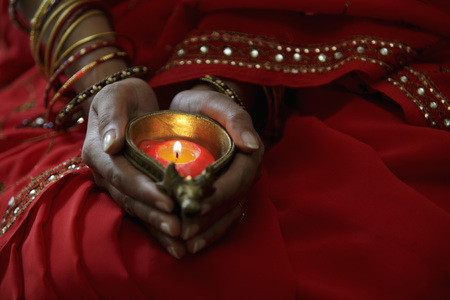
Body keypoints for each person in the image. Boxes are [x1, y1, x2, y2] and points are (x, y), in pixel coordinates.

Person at [0, 0, 449, 299]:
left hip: (313, 36)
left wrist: (230, 84)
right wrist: (105, 80)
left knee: (398, 251)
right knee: (78, 255)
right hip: (103, 34)